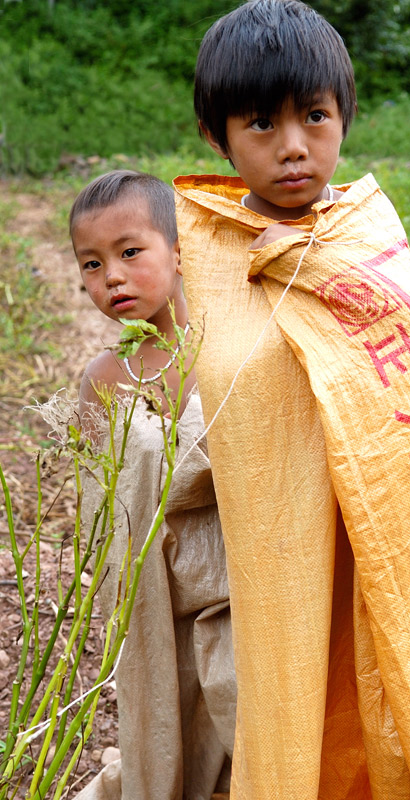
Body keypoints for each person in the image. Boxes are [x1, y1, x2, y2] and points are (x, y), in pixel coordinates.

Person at [172, 2, 410, 799]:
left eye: (314, 115)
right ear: (217, 136)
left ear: (344, 114)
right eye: (260, 124)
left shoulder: (367, 236)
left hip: (377, 527)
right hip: (274, 553)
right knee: (289, 702)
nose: (294, 146)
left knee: (384, 686)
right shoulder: (206, 255)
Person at [69, 170, 236, 800]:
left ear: (180, 252)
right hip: (150, 595)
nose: (110, 276)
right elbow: (98, 502)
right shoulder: (102, 379)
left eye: (129, 252)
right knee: (168, 725)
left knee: (243, 710)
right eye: (91, 263)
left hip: (230, 583)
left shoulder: (224, 352)